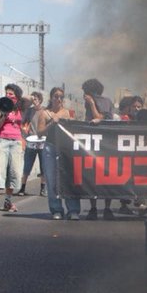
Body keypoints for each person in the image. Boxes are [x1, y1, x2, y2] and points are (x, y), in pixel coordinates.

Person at [38, 87, 80, 220]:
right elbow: (40, 133)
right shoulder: (44, 113)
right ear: (51, 98)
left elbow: (75, 129)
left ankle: (73, 210)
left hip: (66, 149)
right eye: (56, 96)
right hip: (50, 148)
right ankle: (56, 209)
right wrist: (52, 123)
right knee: (52, 180)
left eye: (61, 96)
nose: (59, 99)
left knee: (69, 180)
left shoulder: (68, 113)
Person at [0, 83, 27, 214]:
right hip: (2, 140)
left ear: (17, 96)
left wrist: (17, 101)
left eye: (11, 93)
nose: (8, 95)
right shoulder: (0, 107)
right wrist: (4, 115)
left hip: (16, 142)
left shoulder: (20, 108)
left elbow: (30, 99)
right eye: (6, 93)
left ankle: (8, 201)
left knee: (14, 172)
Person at [81, 78, 116, 219]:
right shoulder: (106, 101)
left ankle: (101, 209)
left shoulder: (99, 101)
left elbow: (100, 118)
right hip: (98, 143)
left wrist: (91, 104)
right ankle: (97, 209)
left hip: (101, 143)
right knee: (96, 176)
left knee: (101, 176)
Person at [18, 91, 45, 196]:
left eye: (37, 98)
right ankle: (22, 188)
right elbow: (21, 122)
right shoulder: (29, 111)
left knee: (44, 167)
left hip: (43, 141)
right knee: (27, 166)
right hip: (31, 141)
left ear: (41, 100)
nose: (35, 100)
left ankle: (43, 189)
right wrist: (24, 135)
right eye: (33, 99)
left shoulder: (45, 111)